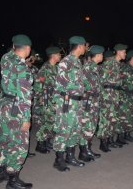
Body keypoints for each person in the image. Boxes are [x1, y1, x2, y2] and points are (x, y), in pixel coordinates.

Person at [0, 34, 33, 189]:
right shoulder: (22, 67)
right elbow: (24, 95)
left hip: (4, 105)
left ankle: (0, 172)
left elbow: (12, 57)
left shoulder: (6, 59)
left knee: (5, 139)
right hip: (16, 108)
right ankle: (13, 179)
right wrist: (26, 118)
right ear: (28, 48)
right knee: (19, 144)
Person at [52, 36, 87, 172]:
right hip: (67, 102)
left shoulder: (77, 62)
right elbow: (60, 85)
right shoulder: (66, 62)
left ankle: (70, 156)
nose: (86, 48)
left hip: (77, 102)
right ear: (79, 46)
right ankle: (58, 159)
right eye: (84, 45)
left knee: (74, 130)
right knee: (64, 130)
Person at [98, 44, 127, 152]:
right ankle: (103, 142)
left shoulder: (118, 64)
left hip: (115, 94)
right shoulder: (109, 63)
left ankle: (109, 140)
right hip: (108, 95)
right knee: (106, 119)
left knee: (113, 119)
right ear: (118, 52)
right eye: (124, 51)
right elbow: (101, 79)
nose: (125, 54)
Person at [79, 45, 104, 161]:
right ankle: (83, 152)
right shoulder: (88, 68)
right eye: (101, 54)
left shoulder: (95, 67)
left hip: (94, 101)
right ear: (98, 55)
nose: (102, 56)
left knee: (91, 126)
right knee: (87, 126)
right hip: (88, 102)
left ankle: (87, 149)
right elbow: (85, 86)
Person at [34, 47, 61, 154]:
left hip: (54, 99)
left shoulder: (57, 68)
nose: (60, 56)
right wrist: (40, 98)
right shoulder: (45, 68)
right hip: (46, 98)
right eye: (58, 54)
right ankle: (40, 144)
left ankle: (46, 141)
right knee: (47, 121)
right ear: (53, 55)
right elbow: (38, 84)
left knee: (52, 121)